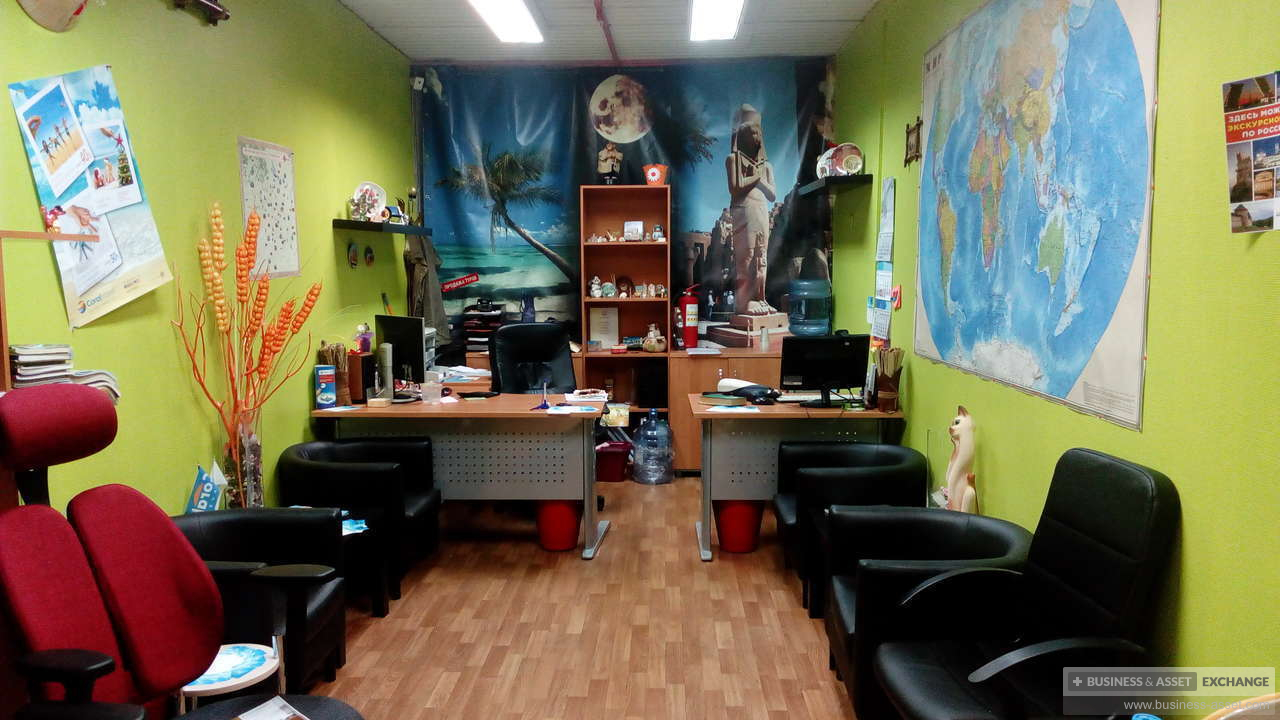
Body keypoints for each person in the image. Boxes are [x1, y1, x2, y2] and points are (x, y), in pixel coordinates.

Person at [725, 104, 776, 315]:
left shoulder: (766, 166)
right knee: (746, 257)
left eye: (758, 133)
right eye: (752, 133)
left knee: (761, 257)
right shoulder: (733, 160)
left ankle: (761, 298)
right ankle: (744, 302)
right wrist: (756, 177)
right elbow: (735, 188)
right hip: (743, 210)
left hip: (761, 210)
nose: (756, 137)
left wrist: (759, 178)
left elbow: (772, 194)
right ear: (742, 136)